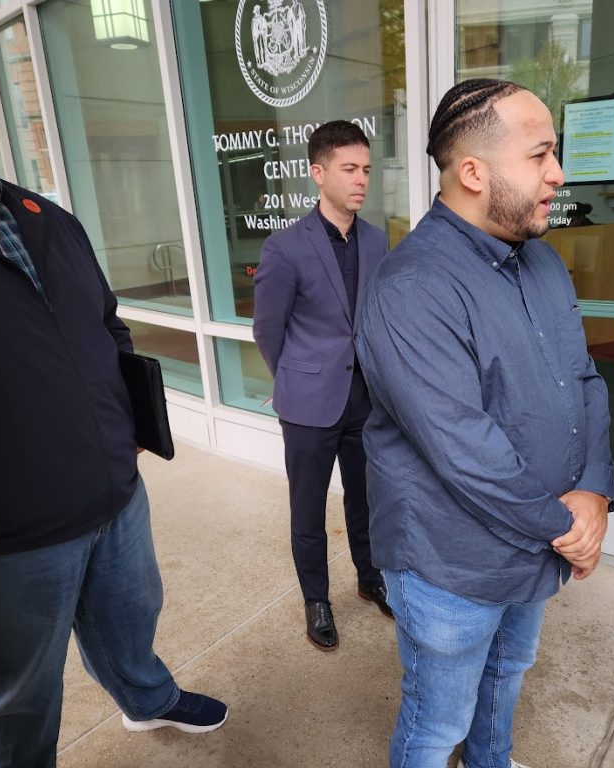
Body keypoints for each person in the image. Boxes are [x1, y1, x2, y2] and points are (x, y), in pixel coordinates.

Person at [0, 37, 226, 768]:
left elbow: (104, 324)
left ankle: (146, 698)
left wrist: (130, 419)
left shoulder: (43, 215)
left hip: (111, 496)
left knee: (131, 625)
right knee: (17, 686)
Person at [356, 79, 614, 768]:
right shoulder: (413, 287)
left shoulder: (543, 262)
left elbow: (585, 379)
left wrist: (593, 490)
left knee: (504, 683)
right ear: (474, 172)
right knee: (436, 724)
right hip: (452, 563)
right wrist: (567, 528)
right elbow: (464, 451)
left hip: (533, 546)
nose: (558, 174)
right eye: (540, 155)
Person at [253, 120, 391, 651]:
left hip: (365, 400)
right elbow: (268, 329)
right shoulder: (285, 247)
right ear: (318, 172)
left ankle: (369, 576)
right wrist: (293, 376)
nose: (361, 181)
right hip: (309, 403)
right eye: (349, 169)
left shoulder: (377, 240)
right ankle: (317, 600)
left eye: (366, 170)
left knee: (365, 499)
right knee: (308, 508)